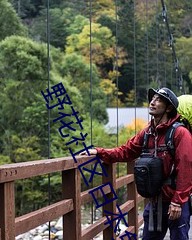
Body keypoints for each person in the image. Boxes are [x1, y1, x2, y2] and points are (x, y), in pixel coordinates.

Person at [80, 87, 192, 240]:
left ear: (169, 108)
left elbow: (186, 168)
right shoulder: (147, 133)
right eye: (152, 99)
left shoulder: (180, 133)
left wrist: (178, 202)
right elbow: (126, 151)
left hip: (175, 201)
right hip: (155, 201)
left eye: (158, 100)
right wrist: (99, 152)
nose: (152, 102)